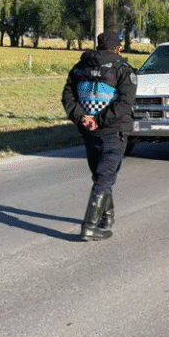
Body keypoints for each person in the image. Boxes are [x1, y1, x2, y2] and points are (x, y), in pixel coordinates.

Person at [62, 31, 137, 241]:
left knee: (101, 176)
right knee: (105, 178)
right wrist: (100, 120)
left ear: (98, 46)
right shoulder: (123, 69)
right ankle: (90, 226)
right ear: (117, 49)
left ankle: (107, 217)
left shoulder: (79, 67)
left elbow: (67, 95)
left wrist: (82, 118)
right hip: (113, 130)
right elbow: (125, 103)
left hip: (88, 131)